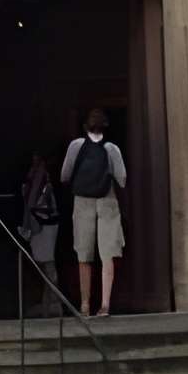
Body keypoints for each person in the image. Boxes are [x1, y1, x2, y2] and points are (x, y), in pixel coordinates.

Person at [60, 108, 127, 318]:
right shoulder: (111, 148)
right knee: (108, 254)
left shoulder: (76, 145)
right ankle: (105, 304)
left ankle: (85, 304)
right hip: (107, 200)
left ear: (84, 126)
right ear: (105, 127)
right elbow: (122, 178)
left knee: (83, 254)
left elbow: (64, 175)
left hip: (82, 201)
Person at [20, 150, 61, 315]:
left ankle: (54, 303)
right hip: (41, 223)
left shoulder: (42, 175)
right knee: (45, 266)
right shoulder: (35, 175)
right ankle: (48, 304)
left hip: (43, 223)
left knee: (48, 265)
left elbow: (34, 203)